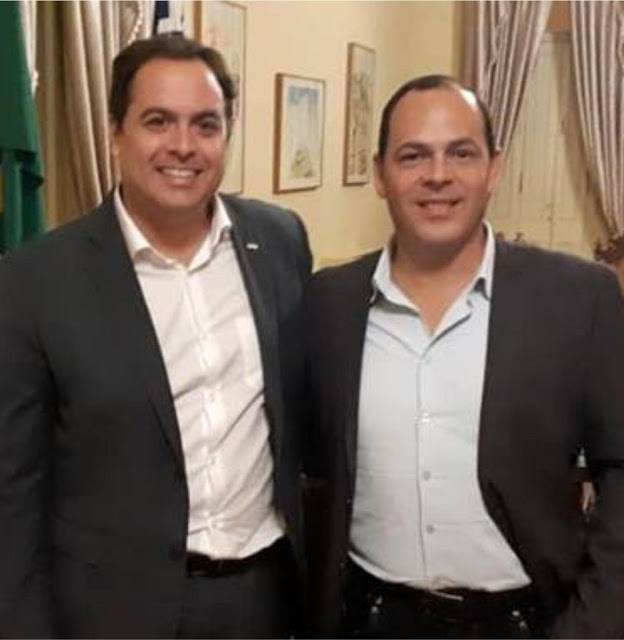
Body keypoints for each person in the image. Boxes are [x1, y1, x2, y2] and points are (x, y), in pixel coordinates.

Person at [0, 34, 311, 638]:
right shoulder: (36, 280)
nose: (183, 146)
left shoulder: (280, 242)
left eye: (206, 124)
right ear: (116, 134)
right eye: (158, 121)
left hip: (266, 597)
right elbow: (13, 495)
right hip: (114, 611)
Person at [303, 74, 624, 638]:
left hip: (527, 621)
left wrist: (593, 625)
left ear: (494, 169)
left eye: (461, 153)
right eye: (412, 156)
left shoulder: (579, 298)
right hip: (370, 619)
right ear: (379, 174)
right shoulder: (329, 302)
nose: (437, 175)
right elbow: (309, 468)